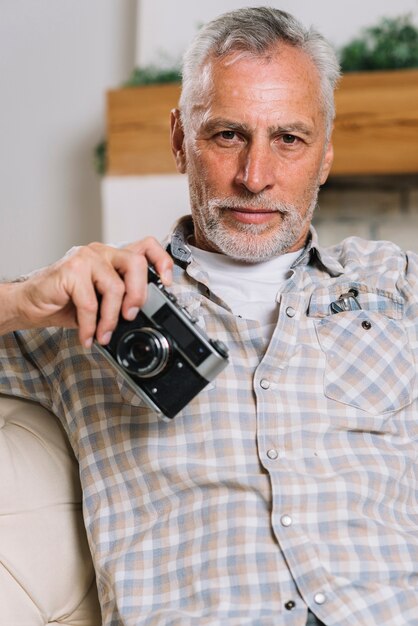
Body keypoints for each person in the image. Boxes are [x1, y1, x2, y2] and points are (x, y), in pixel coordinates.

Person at [0, 6, 417, 626]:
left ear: (326, 155)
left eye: (289, 139)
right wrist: (23, 297)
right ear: (179, 140)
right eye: (227, 135)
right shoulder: (91, 308)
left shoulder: (393, 282)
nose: (255, 177)